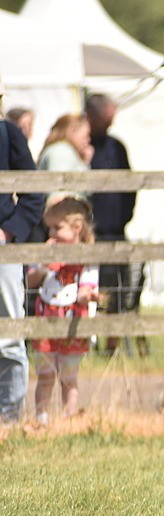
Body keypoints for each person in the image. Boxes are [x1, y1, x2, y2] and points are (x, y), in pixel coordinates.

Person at [25, 197, 98, 423]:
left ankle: (69, 418)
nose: (51, 233)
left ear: (76, 227)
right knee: (45, 375)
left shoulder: (85, 257)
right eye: (49, 228)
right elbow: (30, 280)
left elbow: (86, 287)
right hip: (46, 322)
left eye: (57, 227)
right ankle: (42, 419)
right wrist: (43, 265)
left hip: (72, 324)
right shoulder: (47, 253)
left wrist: (87, 297)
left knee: (69, 377)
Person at [0, 88, 46, 425]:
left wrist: (8, 232)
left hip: (3, 249)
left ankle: (9, 418)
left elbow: (33, 193)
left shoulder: (8, 134)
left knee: (9, 335)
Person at [85, 93, 139, 356]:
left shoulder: (117, 147)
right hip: (89, 235)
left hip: (116, 232)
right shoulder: (82, 148)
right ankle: (86, 345)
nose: (109, 125)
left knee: (119, 290)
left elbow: (130, 187)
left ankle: (112, 349)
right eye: (105, 120)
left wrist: (124, 217)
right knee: (90, 289)